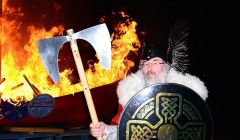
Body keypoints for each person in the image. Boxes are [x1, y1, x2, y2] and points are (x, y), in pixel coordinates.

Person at [89, 21, 208, 140]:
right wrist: (104, 130)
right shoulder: (131, 96)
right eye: (145, 64)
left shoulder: (184, 95)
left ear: (165, 66)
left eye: (155, 61)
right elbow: (122, 130)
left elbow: (196, 128)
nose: (149, 67)